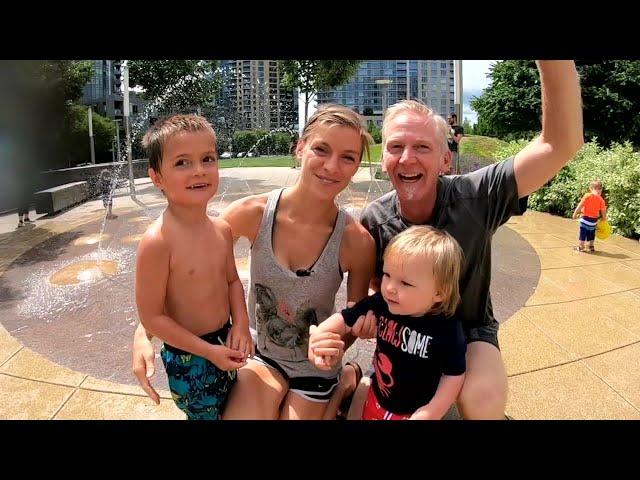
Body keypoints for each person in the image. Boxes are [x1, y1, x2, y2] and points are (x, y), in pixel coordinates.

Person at [353, 60, 583, 419]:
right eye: (395, 146)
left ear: (446, 159)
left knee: (482, 396)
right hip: (407, 333)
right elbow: (374, 287)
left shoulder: (478, 195)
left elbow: (560, 144)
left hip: (470, 329)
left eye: (423, 147)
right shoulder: (374, 220)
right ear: (383, 159)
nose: (407, 158)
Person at [132, 104, 378, 419]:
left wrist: (339, 340)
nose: (332, 166)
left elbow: (353, 314)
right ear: (300, 148)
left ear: (358, 165)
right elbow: (190, 264)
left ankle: (345, 382)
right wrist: (143, 332)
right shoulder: (253, 214)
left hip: (316, 369)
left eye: (348, 157)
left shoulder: (356, 241)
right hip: (263, 358)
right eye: (321, 149)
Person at [135, 114, 253, 420]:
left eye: (207, 158)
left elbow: (231, 282)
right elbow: (151, 316)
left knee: (234, 408)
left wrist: (240, 323)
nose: (199, 171)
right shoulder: (158, 241)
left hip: (225, 338)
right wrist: (209, 352)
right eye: (182, 163)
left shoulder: (222, 229)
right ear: (157, 177)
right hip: (188, 356)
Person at [309, 225, 466, 420]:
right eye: (387, 275)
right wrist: (320, 333)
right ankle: (356, 383)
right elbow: (346, 317)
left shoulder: (447, 329)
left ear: (439, 293)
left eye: (405, 283)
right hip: (377, 397)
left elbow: (453, 375)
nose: (390, 287)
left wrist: (431, 412)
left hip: (415, 412)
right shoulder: (383, 303)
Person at [572, 180, 607, 252]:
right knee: (591, 233)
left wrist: (575, 214)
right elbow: (603, 211)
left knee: (583, 233)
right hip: (593, 222)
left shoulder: (587, 195)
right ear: (601, 190)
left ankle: (581, 246)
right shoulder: (601, 200)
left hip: (585, 220)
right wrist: (604, 219)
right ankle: (591, 246)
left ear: (590, 189)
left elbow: (580, 205)